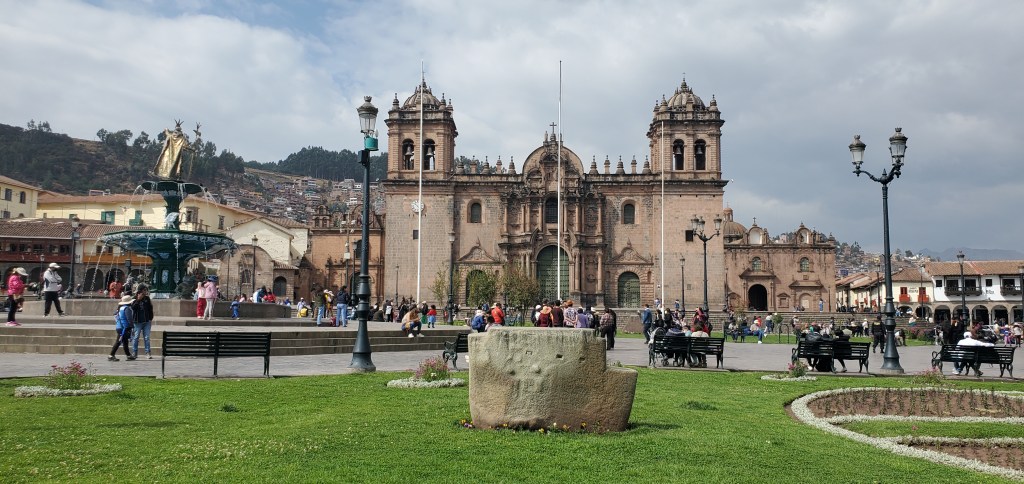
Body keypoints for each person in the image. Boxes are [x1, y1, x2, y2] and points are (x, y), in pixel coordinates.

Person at [130, 285, 155, 359]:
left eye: (146, 290)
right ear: (140, 291)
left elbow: (150, 308)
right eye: (144, 290)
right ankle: (135, 352)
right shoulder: (134, 298)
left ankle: (147, 352)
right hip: (137, 322)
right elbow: (133, 308)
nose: (145, 291)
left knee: (147, 337)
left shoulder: (147, 298)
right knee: (136, 337)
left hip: (146, 321)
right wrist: (138, 300)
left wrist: (150, 318)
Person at [109, 295, 136, 361]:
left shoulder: (121, 308)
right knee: (119, 341)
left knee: (125, 341)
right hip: (124, 328)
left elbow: (115, 314)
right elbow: (129, 319)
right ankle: (111, 355)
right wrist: (132, 326)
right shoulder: (127, 309)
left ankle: (128, 355)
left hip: (120, 326)